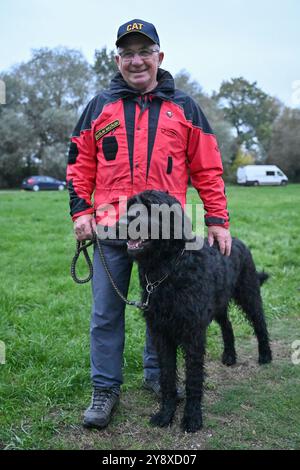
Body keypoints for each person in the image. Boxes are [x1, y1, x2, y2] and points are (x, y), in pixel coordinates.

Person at [66, 19, 232, 429]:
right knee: (107, 313)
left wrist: (217, 220)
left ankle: (160, 379)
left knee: (164, 308)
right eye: (127, 53)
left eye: (144, 51)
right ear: (118, 59)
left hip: (168, 232)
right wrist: (80, 211)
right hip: (111, 227)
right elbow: (78, 162)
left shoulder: (186, 107)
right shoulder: (98, 106)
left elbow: (208, 168)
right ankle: (105, 389)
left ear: (160, 56)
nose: (136, 60)